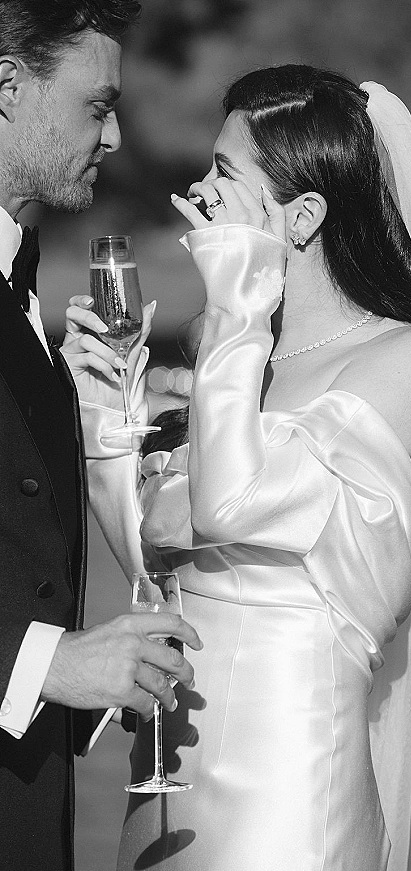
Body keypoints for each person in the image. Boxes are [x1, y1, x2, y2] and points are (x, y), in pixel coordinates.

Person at [65, 65, 411, 871]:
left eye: (225, 172)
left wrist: (235, 299)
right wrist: (106, 419)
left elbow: (231, 503)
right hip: (164, 774)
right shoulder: (237, 357)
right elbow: (155, 562)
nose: (200, 190)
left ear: (303, 215)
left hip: (286, 795)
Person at [0, 4, 202, 870]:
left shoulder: (25, 278)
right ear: (8, 88)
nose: (117, 134)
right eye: (96, 105)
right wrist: (47, 662)